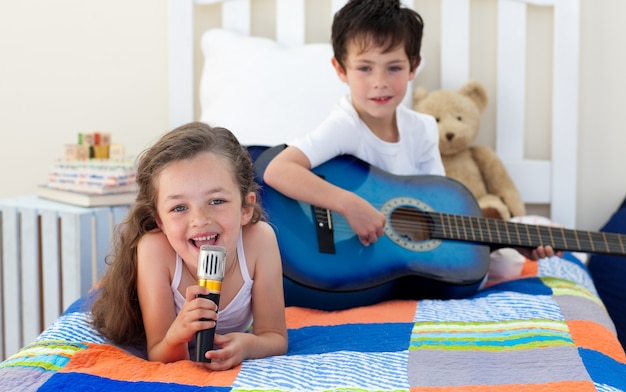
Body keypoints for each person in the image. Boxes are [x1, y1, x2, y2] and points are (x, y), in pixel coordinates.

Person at [263, 0, 556, 260]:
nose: (380, 82)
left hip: (397, 255)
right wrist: (349, 204)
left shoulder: (423, 129)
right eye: (365, 68)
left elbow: (439, 214)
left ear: (413, 67)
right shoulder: (345, 125)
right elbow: (278, 170)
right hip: (349, 254)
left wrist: (506, 241)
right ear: (341, 69)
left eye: (394, 68)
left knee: (499, 267)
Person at [90, 122, 287, 370]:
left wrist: (248, 346)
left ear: (245, 208)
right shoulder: (155, 251)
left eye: (216, 200)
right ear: (159, 220)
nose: (200, 220)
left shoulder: (260, 240)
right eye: (179, 207)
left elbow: (274, 337)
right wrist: (178, 332)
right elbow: (159, 352)